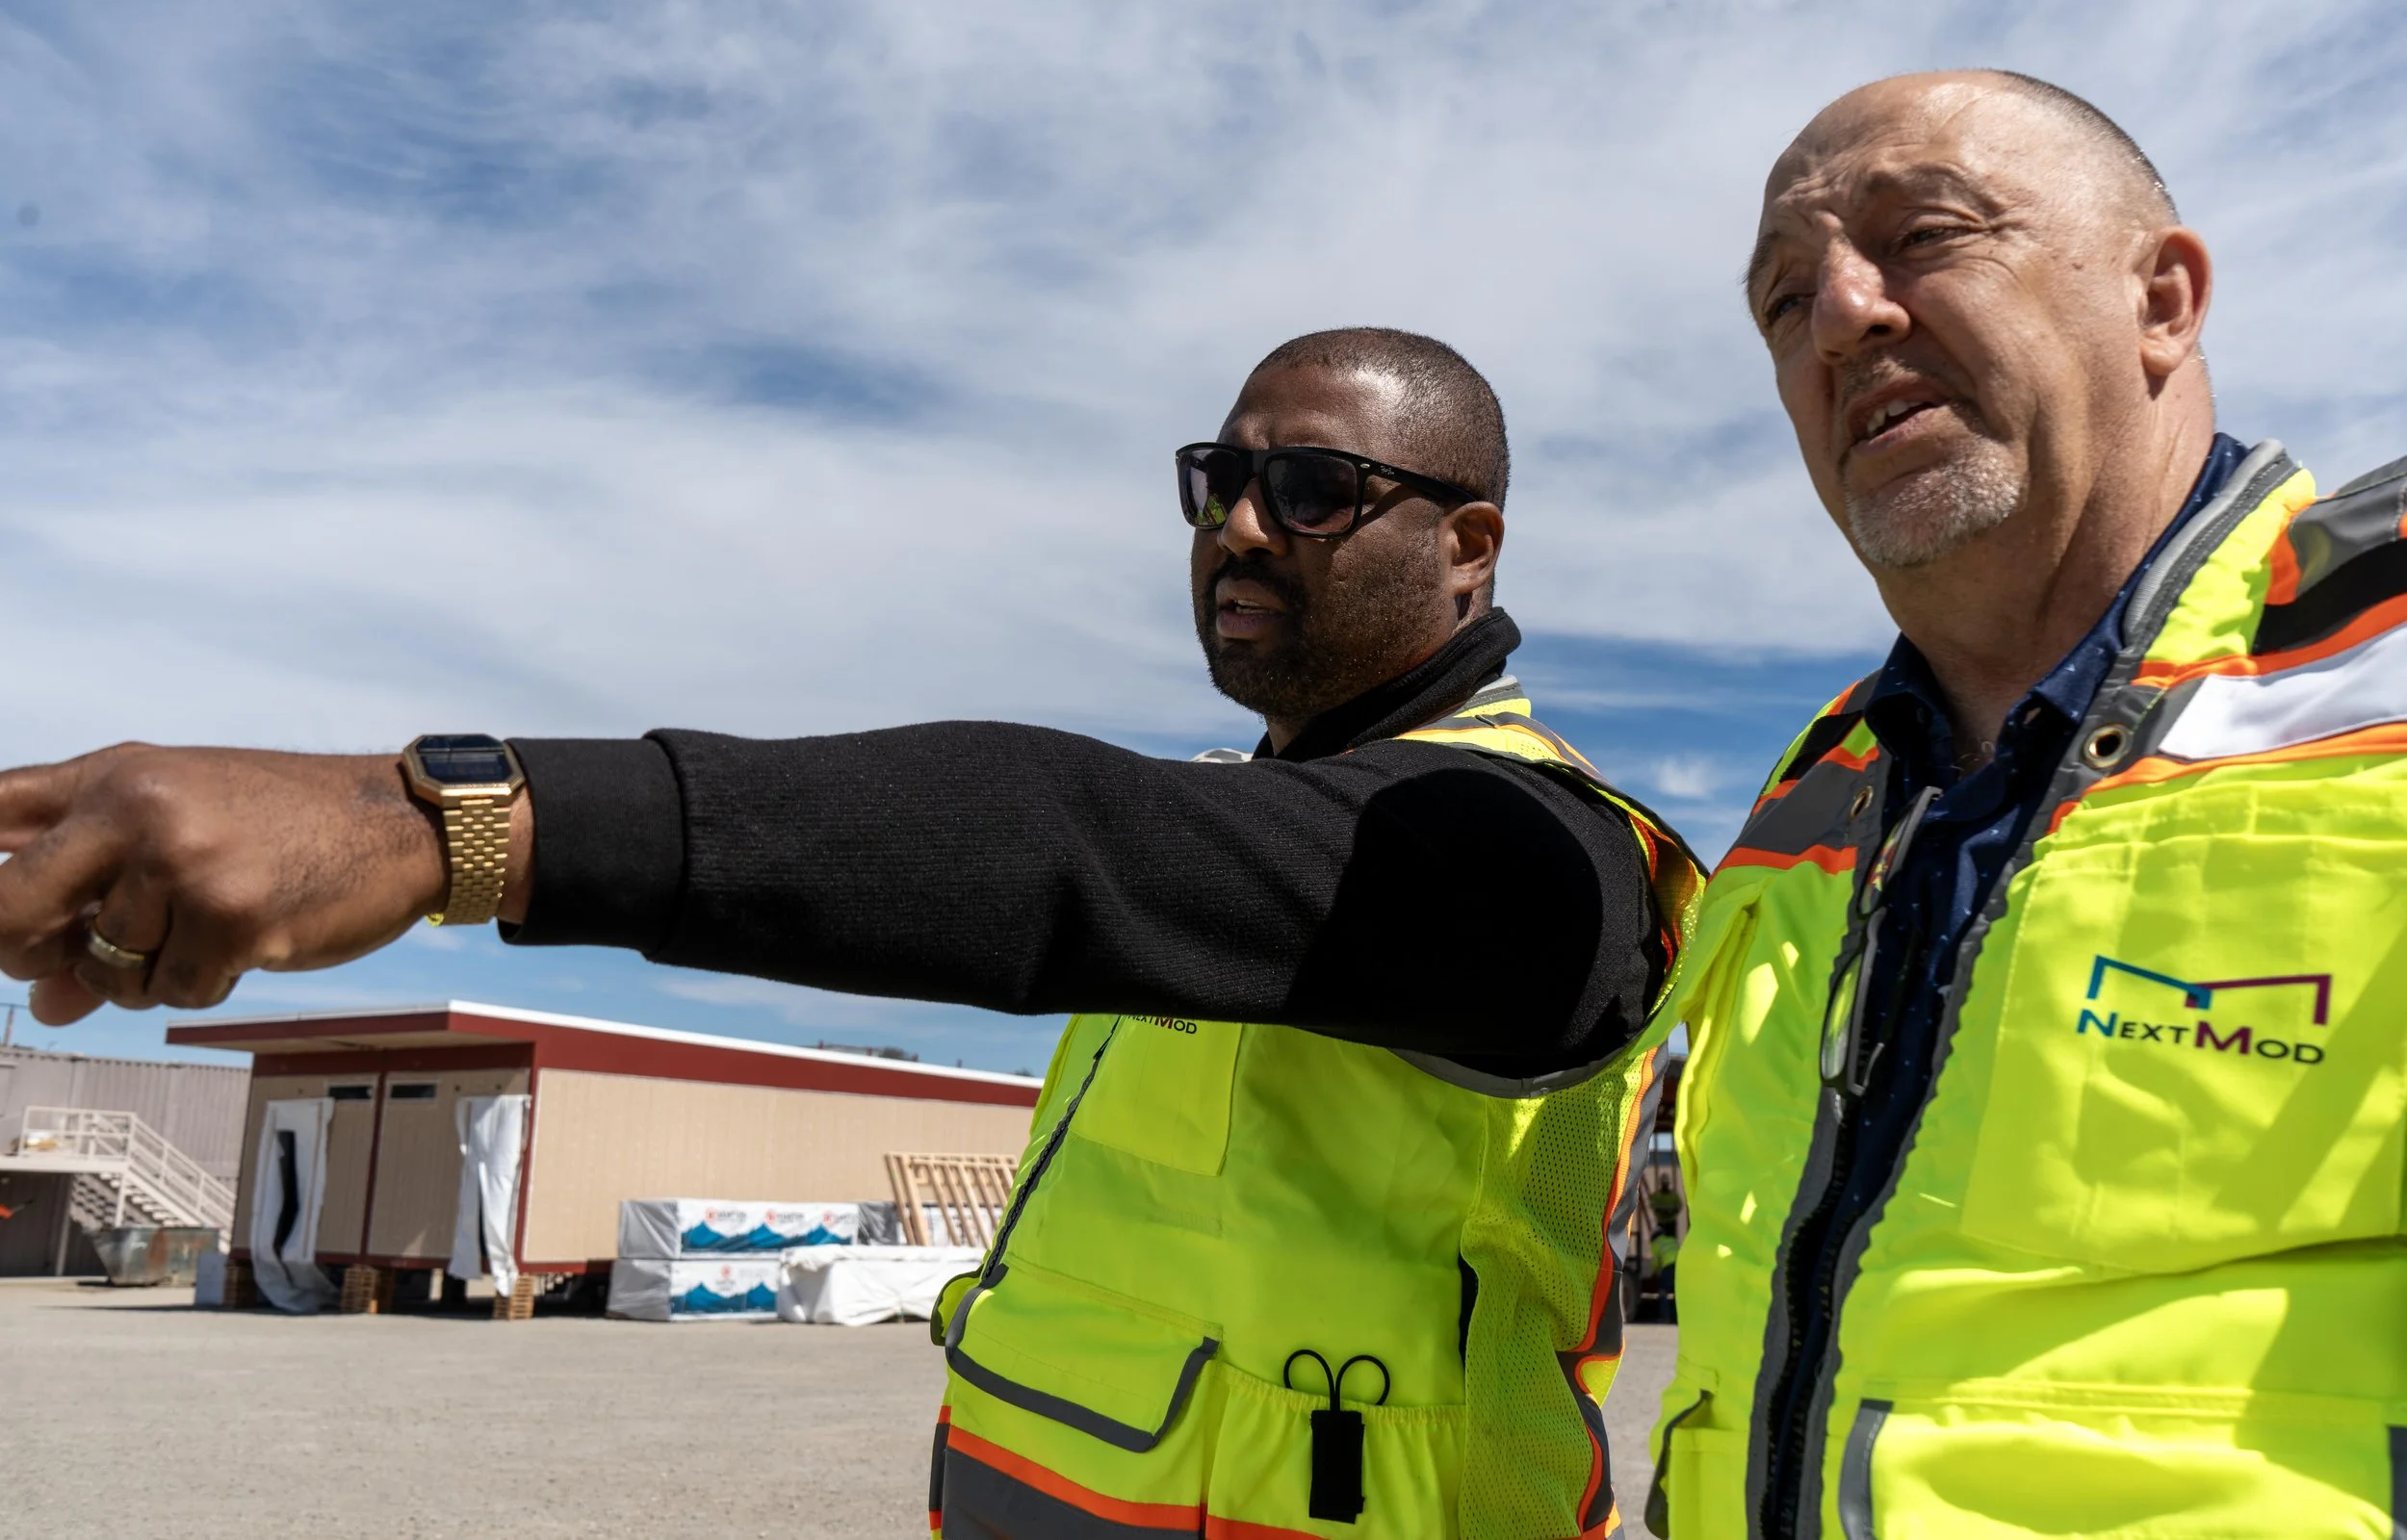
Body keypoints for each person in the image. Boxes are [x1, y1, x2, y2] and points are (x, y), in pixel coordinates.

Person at [0, 328, 1700, 1539]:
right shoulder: (1233, 837)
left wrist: (453, 825)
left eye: (1314, 488)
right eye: (1217, 478)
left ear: (1467, 544)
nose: (1237, 526)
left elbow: (1068, 840)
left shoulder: (1550, 857)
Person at [1648, 69, 2407, 1538]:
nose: (1843, 318)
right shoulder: (1814, 793)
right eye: (1784, 300)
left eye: (1926, 233)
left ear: (2164, 303)